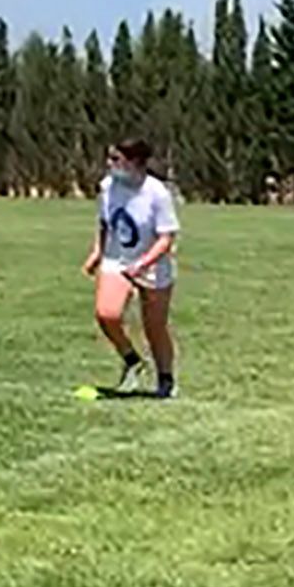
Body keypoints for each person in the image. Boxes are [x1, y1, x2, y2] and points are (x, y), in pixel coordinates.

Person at [82, 139, 180, 398]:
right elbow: (105, 222)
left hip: (153, 264)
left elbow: (166, 238)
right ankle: (132, 360)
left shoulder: (157, 193)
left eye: (116, 159)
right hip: (118, 259)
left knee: (154, 327)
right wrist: (98, 251)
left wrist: (144, 263)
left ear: (135, 162)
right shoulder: (107, 187)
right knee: (106, 314)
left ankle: (166, 378)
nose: (110, 164)